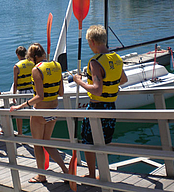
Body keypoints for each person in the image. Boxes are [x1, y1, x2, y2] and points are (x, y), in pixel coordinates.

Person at [73, 25, 128, 179]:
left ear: (92, 42)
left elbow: (96, 89)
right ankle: (104, 172)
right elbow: (123, 80)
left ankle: (91, 174)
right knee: (103, 143)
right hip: (111, 107)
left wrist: (79, 82)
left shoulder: (95, 62)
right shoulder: (116, 58)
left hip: (96, 107)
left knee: (89, 143)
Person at [10, 43, 68, 183]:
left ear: (34, 57)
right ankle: (66, 171)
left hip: (40, 111)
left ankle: (41, 176)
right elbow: (61, 92)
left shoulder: (37, 70)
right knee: (47, 143)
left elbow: (39, 96)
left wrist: (22, 106)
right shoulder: (57, 65)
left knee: (37, 145)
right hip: (54, 110)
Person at [13, 46, 34, 135]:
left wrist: (14, 95)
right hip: (32, 91)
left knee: (19, 113)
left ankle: (20, 133)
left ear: (18, 55)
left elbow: (15, 82)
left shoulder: (16, 66)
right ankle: (34, 133)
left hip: (22, 92)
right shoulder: (33, 63)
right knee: (33, 114)